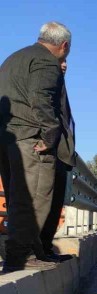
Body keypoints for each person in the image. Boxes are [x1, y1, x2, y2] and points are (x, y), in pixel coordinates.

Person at [0, 22, 72, 272]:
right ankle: (23, 255)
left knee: (18, 197)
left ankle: (33, 252)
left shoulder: (14, 58)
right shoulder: (46, 61)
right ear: (64, 46)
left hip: (9, 139)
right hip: (31, 138)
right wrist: (50, 136)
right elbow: (41, 99)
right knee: (33, 199)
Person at [40, 58, 76, 261]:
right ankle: (39, 251)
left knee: (55, 204)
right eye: (60, 61)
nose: (64, 65)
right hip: (52, 151)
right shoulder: (46, 82)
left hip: (62, 153)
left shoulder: (60, 84)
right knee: (45, 201)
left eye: (65, 62)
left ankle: (45, 249)